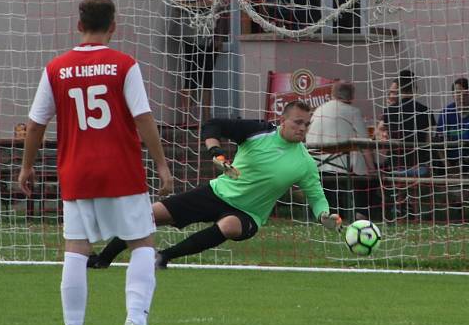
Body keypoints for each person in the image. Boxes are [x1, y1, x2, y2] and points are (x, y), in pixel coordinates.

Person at [18, 0, 173, 325]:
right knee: (142, 244)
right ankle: (136, 320)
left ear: (78, 26)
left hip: (76, 172)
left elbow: (36, 123)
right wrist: (162, 164)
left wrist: (27, 166)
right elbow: (143, 117)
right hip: (121, 169)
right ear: (113, 26)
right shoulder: (123, 65)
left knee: (76, 250)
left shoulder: (56, 68)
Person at [88, 101, 342, 270]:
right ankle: (102, 259)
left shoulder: (305, 162)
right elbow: (213, 124)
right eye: (297, 122)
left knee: (229, 225)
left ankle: (163, 257)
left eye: (307, 124)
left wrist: (324, 215)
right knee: (149, 214)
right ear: (282, 120)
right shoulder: (257, 131)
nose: (302, 128)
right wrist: (216, 153)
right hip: (216, 193)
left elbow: (316, 195)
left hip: (248, 214)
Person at [307, 81, 378, 220]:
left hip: (316, 167)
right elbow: (364, 143)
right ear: (352, 96)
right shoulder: (353, 111)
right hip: (341, 168)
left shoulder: (318, 110)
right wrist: (372, 168)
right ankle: (360, 214)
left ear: (332, 94)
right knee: (367, 176)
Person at [180, 0, 229, 125]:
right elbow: (185, 3)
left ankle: (205, 119)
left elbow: (224, 13)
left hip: (212, 35)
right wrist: (207, 3)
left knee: (207, 76)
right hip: (195, 34)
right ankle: (187, 119)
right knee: (191, 75)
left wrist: (220, 38)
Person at [381, 70, 434, 176]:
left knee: (399, 191)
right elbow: (429, 141)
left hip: (396, 164)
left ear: (399, 88)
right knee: (421, 191)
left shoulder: (389, 111)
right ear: (415, 88)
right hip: (419, 165)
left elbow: (383, 136)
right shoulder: (425, 110)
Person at [435, 77, 469, 175]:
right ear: (453, 95)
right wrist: (449, 167)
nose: (461, 97)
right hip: (450, 163)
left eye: (465, 93)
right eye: (458, 93)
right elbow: (438, 143)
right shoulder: (446, 113)